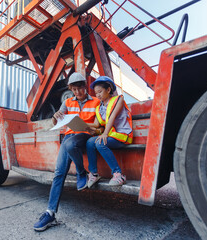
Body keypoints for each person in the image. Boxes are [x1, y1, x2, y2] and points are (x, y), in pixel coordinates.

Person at [33, 72, 100, 232]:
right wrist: (56, 117)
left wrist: (91, 129)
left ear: (85, 86)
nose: (77, 92)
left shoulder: (96, 101)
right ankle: (50, 213)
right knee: (58, 173)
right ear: (71, 89)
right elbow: (57, 119)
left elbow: (100, 122)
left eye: (80, 88)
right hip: (70, 136)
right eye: (74, 89)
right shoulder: (68, 101)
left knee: (70, 144)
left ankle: (81, 173)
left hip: (85, 135)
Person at [86, 76, 133, 188]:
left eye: (100, 92)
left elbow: (111, 117)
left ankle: (118, 175)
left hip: (122, 135)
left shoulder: (118, 100)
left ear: (108, 89)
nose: (97, 95)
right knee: (89, 142)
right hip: (111, 136)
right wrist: (81, 124)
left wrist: (105, 134)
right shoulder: (99, 107)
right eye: (96, 93)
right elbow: (97, 124)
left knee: (100, 142)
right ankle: (93, 174)